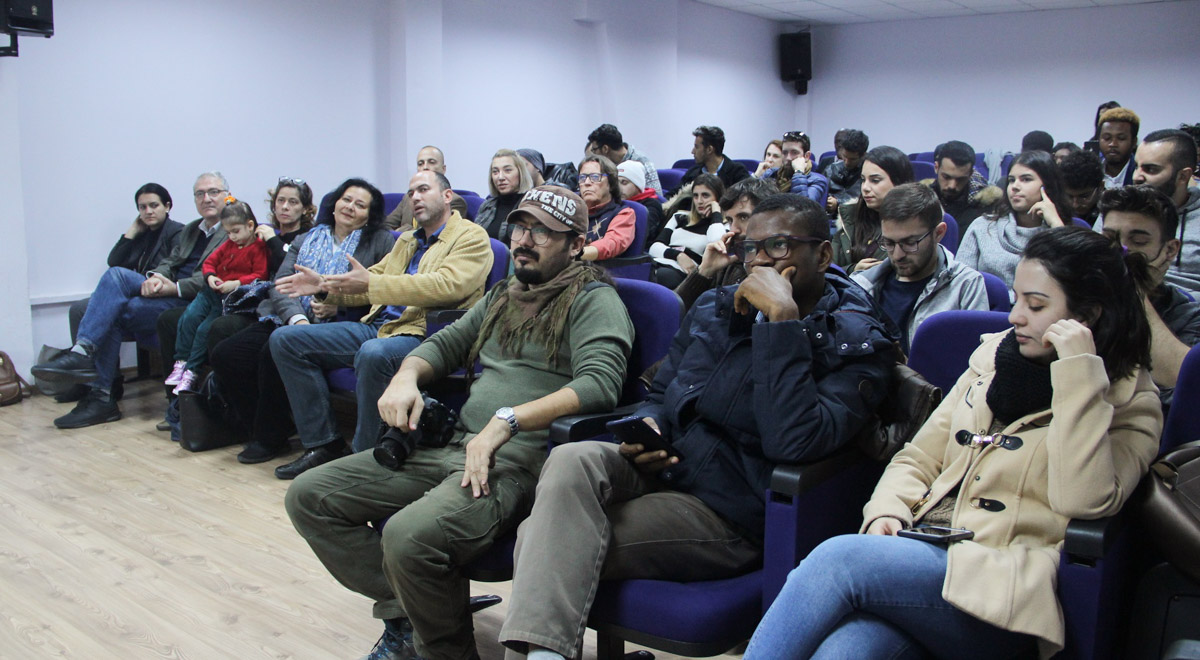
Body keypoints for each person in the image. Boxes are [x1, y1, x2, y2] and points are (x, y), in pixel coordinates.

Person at [499, 194, 898, 660]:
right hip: (669, 466)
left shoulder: (858, 342)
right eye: (751, 248)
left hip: (732, 510)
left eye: (779, 246)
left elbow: (793, 442)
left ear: (823, 255)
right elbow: (661, 394)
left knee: (540, 540)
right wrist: (651, 427)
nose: (760, 261)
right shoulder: (716, 306)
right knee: (572, 457)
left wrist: (781, 321)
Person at [744, 227, 1162, 660]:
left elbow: (1083, 502)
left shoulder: (1129, 403)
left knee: (838, 561)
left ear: (1086, 317)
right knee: (846, 650)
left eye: (1036, 305)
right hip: (924, 551)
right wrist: (887, 510)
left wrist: (1078, 373)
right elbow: (919, 456)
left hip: (1003, 592)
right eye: (1016, 299)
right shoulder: (993, 359)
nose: (1015, 317)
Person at [285, 185, 634, 660]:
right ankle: (412, 612)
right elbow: (444, 344)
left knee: (407, 537)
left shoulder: (593, 300)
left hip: (512, 462)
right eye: (520, 228)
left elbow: (599, 385)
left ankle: (440, 646)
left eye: (542, 233)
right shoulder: (504, 294)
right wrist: (406, 377)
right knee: (309, 497)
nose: (524, 241)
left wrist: (507, 421)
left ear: (575, 245)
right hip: (451, 445)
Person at [268, 172, 492, 479]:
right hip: (382, 325)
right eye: (411, 192)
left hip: (427, 334)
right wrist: (323, 285)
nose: (415, 197)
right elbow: (367, 281)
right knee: (286, 339)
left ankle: (362, 464)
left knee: (374, 353)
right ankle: (324, 444)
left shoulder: (471, 236)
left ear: (447, 196)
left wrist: (373, 284)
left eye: (423, 189)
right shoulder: (408, 240)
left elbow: (448, 285)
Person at [210, 182, 396, 465]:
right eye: (346, 200)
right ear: (334, 203)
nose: (350, 207)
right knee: (227, 354)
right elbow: (281, 285)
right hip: (290, 317)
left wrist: (338, 303)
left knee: (272, 352)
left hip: (340, 322)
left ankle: (270, 437)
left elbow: (385, 291)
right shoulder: (306, 238)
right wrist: (297, 319)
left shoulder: (381, 242)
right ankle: (269, 424)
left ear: (369, 215)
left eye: (360, 205)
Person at [33, 172, 230, 429]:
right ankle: (98, 389)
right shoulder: (193, 229)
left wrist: (174, 287)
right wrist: (157, 277)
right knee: (113, 287)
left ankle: (92, 377)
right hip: (165, 290)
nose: (206, 198)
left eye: (213, 192)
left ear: (227, 195)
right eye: (200, 194)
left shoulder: (231, 229)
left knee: (115, 290)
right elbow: (170, 261)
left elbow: (217, 276)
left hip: (192, 299)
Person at [59, 183, 185, 404]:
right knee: (78, 309)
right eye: (142, 207)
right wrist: (131, 232)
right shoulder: (143, 234)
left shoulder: (178, 232)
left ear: (167, 206)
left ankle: (100, 381)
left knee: (116, 280)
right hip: (136, 291)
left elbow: (173, 269)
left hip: (160, 291)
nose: (148, 211)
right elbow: (115, 260)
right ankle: (91, 378)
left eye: (154, 205)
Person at [851, 184, 989, 353]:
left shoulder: (966, 285)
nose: (897, 255)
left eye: (910, 243)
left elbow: (977, 361)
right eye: (889, 243)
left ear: (939, 233)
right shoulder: (860, 286)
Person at [1100, 185, 1200, 407]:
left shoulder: (1188, 316)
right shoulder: (1078, 296)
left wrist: (1133, 290)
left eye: (1138, 242)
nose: (1121, 251)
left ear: (1170, 250)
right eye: (1109, 238)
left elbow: (1179, 379)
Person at [201, 177, 319, 358]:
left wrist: (273, 240)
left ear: (304, 209)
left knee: (222, 328)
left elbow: (290, 270)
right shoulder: (260, 232)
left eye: (293, 202)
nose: (285, 207)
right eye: (280, 200)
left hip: (284, 306)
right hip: (253, 300)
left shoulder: (308, 238)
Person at [163, 199, 270, 394]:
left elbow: (260, 275)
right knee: (189, 318)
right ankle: (181, 362)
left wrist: (236, 283)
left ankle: (192, 372)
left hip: (228, 298)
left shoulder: (258, 248)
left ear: (250, 226)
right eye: (228, 233)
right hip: (210, 292)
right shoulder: (229, 244)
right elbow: (209, 262)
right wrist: (210, 276)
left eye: (236, 231)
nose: (232, 237)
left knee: (204, 329)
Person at [957, 150, 1073, 290]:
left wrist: (1056, 224)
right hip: (986, 302)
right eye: (1011, 180)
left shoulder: (1063, 231)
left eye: (1026, 179)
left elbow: (1074, 283)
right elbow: (960, 284)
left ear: (1047, 186)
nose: (1015, 187)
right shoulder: (982, 226)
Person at [674, 177, 776, 310]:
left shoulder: (778, 265)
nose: (733, 229)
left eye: (743, 217)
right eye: (729, 220)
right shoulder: (728, 259)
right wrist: (705, 271)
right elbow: (673, 310)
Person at [1127, 129, 1200, 295]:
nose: (1137, 177)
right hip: (1124, 299)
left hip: (1187, 306)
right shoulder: (1119, 209)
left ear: (1183, 176)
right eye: (1136, 166)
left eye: (1150, 169)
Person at [832, 145, 914, 272]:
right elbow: (829, 270)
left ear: (899, 182)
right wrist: (852, 270)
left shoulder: (915, 224)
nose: (865, 187)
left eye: (875, 180)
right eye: (863, 180)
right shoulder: (850, 215)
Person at [648, 173, 726, 289]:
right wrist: (679, 255)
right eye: (695, 196)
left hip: (683, 274)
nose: (699, 201)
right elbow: (654, 247)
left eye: (705, 195)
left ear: (718, 198)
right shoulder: (680, 217)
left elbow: (717, 243)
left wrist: (716, 213)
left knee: (659, 276)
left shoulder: (722, 226)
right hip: (659, 262)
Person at [384, 146, 468, 230]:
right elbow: (385, 226)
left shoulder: (454, 200)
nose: (425, 167)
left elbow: (436, 231)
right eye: (420, 164)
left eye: (431, 162)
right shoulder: (408, 197)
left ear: (443, 169)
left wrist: (403, 230)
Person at [930, 140, 1000, 238]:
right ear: (936, 167)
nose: (952, 186)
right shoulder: (922, 200)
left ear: (971, 174)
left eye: (960, 179)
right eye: (946, 177)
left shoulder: (986, 206)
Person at [577, 154, 637, 261]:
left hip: (594, 268)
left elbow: (611, 244)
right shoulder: (571, 209)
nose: (587, 183)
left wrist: (573, 255)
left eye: (595, 177)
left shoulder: (623, 213)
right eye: (582, 178)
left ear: (611, 184)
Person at [586, 123, 662, 196]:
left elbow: (657, 196)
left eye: (594, 150)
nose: (593, 154)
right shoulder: (605, 165)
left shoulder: (642, 161)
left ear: (605, 149)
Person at [474, 148, 533, 241]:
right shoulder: (487, 205)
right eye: (495, 172)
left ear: (520, 173)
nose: (500, 177)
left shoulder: (531, 204)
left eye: (507, 170)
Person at [759, 130, 829, 204]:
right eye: (785, 153)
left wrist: (799, 172)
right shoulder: (771, 174)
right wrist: (756, 176)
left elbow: (802, 207)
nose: (788, 158)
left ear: (806, 156)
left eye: (794, 152)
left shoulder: (817, 181)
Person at [676, 125, 749, 193]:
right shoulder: (693, 172)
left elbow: (745, 198)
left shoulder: (737, 172)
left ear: (709, 149)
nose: (692, 151)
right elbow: (673, 195)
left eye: (696, 147)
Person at [616, 160, 664, 246]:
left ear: (637, 185)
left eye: (624, 182)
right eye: (616, 183)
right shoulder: (613, 201)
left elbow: (642, 234)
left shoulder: (651, 205)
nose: (618, 188)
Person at [824, 128, 869, 215]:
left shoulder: (868, 172)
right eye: (844, 156)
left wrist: (838, 203)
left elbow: (863, 200)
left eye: (852, 159)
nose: (847, 162)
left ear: (863, 155)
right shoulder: (831, 169)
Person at [1059, 149, 1105, 226]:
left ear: (1101, 187)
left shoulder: (1112, 213)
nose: (1075, 205)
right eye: (1069, 196)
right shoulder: (1055, 209)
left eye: (1084, 196)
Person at [1098, 107, 1140, 188]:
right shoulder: (1090, 171)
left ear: (1134, 142)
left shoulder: (1140, 174)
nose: (1113, 144)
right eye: (1107, 138)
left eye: (1121, 138)